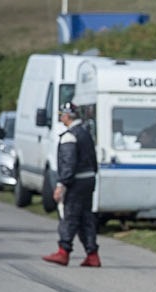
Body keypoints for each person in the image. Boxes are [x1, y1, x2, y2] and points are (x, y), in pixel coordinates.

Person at [42, 102, 101, 267]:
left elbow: (69, 163)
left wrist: (61, 184)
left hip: (76, 182)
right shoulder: (86, 133)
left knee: (69, 216)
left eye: (62, 114)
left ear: (67, 116)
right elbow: (94, 161)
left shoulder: (70, 136)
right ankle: (92, 254)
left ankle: (63, 251)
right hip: (89, 180)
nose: (61, 117)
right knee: (86, 217)